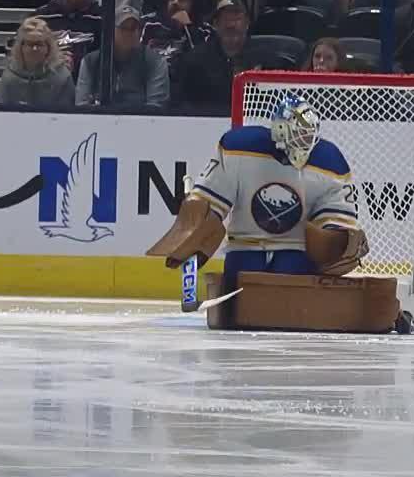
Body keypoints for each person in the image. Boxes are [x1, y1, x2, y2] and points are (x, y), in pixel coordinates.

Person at [149, 95, 379, 323]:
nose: (305, 142)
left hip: (294, 249)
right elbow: (207, 201)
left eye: (308, 136)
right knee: (237, 309)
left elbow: (336, 220)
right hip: (245, 246)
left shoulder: (330, 162)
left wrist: (335, 242)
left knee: (289, 305)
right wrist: (194, 222)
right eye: (299, 135)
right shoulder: (239, 149)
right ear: (279, 130)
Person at [76, 5, 169, 110]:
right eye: (124, 28)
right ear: (110, 31)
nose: (130, 33)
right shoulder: (90, 61)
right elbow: (82, 107)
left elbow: (156, 108)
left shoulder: (155, 61)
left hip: (140, 119)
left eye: (134, 28)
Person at [32, 0, 102, 82]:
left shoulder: (101, 19)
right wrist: (49, 61)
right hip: (45, 81)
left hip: (89, 83)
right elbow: (16, 50)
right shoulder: (41, 16)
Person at [178, 0, 248, 112]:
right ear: (215, 24)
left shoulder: (263, 58)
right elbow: (185, 105)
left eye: (237, 19)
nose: (231, 25)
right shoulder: (195, 60)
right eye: (225, 19)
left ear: (247, 23)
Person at [142, 0, 216, 78]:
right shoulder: (150, 24)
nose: (175, 2)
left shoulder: (206, 32)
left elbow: (203, 66)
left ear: (194, 3)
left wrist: (188, 28)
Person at [0, 17, 75, 109]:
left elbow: (67, 112)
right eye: (30, 44)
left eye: (39, 44)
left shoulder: (62, 77)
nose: (34, 49)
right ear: (21, 47)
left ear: (48, 48)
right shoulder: (9, 78)